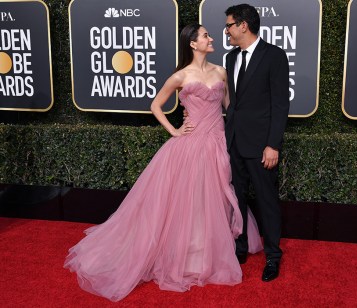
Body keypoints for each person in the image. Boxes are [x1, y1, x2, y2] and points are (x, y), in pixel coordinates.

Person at [64, 24, 262, 302]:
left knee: (214, 198)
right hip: (190, 145)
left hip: (218, 142)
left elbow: (230, 107)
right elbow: (156, 105)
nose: (211, 38)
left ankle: (206, 253)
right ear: (193, 44)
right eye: (205, 35)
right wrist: (175, 130)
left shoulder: (221, 72)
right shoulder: (180, 76)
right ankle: (188, 255)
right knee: (189, 199)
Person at [223, 4, 290, 282]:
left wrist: (273, 144)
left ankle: (273, 256)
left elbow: (280, 103)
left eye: (229, 25)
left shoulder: (274, 56)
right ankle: (239, 249)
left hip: (262, 146)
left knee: (266, 201)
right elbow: (232, 103)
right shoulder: (230, 58)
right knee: (236, 201)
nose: (226, 31)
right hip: (234, 142)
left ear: (243, 25)